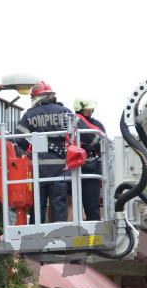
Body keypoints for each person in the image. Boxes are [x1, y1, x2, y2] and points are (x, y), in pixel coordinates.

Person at [16, 81, 73, 223]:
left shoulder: (29, 114)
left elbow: (20, 139)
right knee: (59, 204)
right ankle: (60, 234)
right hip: (60, 168)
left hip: (38, 168)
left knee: (37, 205)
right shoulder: (64, 111)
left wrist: (32, 148)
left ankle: (36, 234)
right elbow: (76, 134)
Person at [74, 98, 106, 221]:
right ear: (80, 109)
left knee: (92, 204)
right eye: (88, 109)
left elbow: (102, 145)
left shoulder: (97, 125)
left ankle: (93, 229)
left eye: (91, 109)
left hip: (91, 167)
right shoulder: (70, 123)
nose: (91, 111)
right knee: (71, 204)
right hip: (73, 166)